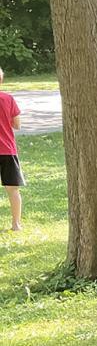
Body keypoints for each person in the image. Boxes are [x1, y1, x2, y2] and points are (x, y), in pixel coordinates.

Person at [0, 66, 23, 232]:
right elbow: (17, 124)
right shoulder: (8, 99)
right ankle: (16, 224)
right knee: (13, 189)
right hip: (7, 149)